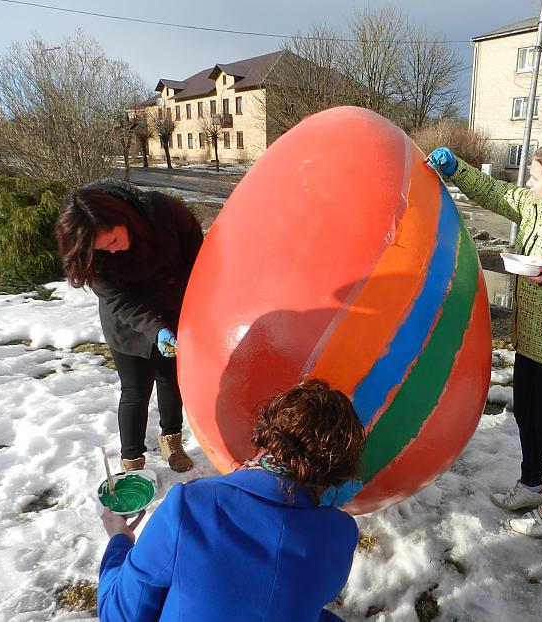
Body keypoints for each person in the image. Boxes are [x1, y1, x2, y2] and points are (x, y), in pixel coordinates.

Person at [427, 141, 542, 537]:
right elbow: (494, 192)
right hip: (529, 341)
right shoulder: (535, 206)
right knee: (526, 418)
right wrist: (455, 167)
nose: (526, 182)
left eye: (534, 176)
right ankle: (531, 485)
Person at [96, 377, 366, 622]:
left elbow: (118, 615)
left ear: (268, 429)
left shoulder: (190, 506)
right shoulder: (339, 533)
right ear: (338, 469)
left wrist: (120, 541)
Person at [55, 179, 203, 473]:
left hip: (173, 307)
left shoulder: (163, 212)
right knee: (135, 390)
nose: (110, 251)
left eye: (111, 241)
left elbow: (196, 251)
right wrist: (156, 329)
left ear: (122, 218)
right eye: (103, 249)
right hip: (127, 322)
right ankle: (132, 459)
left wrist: (193, 298)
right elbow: (119, 301)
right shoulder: (92, 255)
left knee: (171, 381)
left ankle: (171, 440)